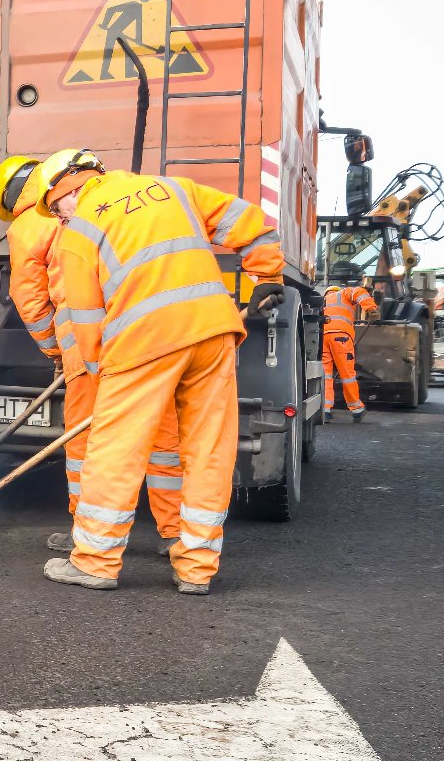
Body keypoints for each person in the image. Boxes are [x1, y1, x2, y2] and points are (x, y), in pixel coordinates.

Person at [38, 149, 284, 596]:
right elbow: (249, 221)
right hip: (212, 334)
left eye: (56, 208)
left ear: (69, 187)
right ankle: (196, 571)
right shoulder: (175, 188)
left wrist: (97, 373)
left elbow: (86, 318)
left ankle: (95, 562)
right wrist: (266, 276)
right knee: (209, 450)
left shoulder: (79, 233)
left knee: (115, 450)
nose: (59, 218)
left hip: (142, 342)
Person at [0, 154, 183, 559]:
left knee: (87, 440)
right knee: (161, 432)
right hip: (138, 324)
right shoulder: (104, 201)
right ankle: (176, 533)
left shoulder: (28, 224)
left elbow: (29, 298)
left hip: (82, 334)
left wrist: (53, 351)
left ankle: (88, 535)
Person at [321, 282, 378, 421]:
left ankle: (325, 409)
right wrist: (371, 309)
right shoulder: (343, 293)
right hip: (341, 338)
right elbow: (359, 291)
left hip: (322, 337)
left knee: (326, 375)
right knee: (347, 375)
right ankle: (356, 409)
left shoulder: (322, 301)